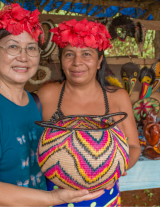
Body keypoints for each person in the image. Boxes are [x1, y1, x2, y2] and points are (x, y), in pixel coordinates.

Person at [0, 4, 104, 207]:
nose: (23, 57)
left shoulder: (32, 102)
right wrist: (54, 198)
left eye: (31, 48)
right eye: (12, 46)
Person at [37, 18, 141, 206]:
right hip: (54, 199)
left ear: (100, 61)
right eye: (69, 54)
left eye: (86, 54)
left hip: (104, 197)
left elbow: (134, 147)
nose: (77, 62)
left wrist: (115, 170)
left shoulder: (118, 97)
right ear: (61, 60)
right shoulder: (46, 95)